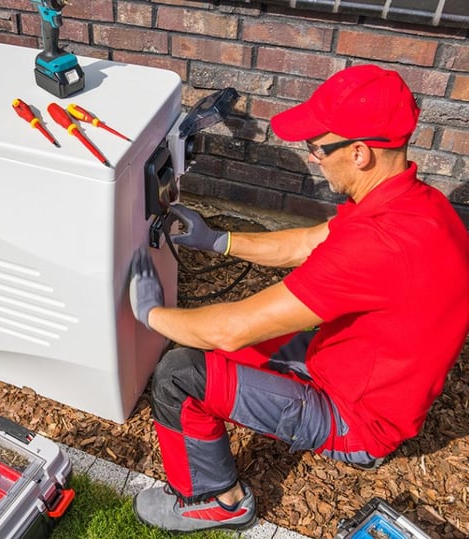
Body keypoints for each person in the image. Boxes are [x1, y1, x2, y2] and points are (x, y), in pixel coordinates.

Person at [128, 64, 469, 533]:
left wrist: (148, 313)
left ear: (360, 153)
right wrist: (218, 240)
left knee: (178, 375)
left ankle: (215, 501)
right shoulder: (414, 204)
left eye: (317, 147)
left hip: (356, 418)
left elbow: (230, 330)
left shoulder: (380, 245)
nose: (312, 158)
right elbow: (308, 242)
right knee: (202, 346)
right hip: (356, 371)